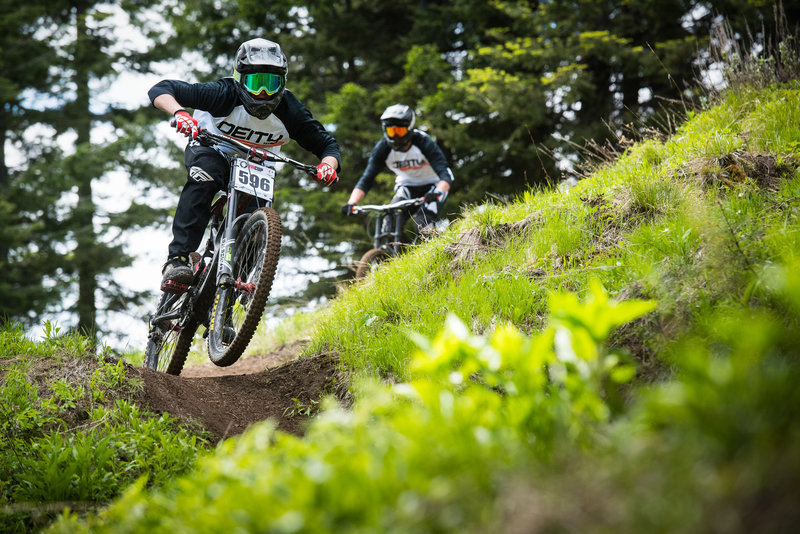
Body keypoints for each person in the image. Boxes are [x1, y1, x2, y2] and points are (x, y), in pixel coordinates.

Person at [148, 38, 341, 292]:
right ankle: (177, 260)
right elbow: (161, 89)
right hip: (212, 148)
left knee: (256, 228)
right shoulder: (222, 93)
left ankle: (226, 303)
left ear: (282, 83)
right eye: (255, 83)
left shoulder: (290, 110)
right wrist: (180, 113)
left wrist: (328, 166)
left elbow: (327, 145)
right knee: (204, 178)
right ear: (239, 78)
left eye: (270, 84)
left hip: (255, 166)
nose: (263, 94)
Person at [341, 104, 453, 239]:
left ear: (409, 129)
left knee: (423, 226)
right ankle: (393, 255)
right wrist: (352, 203)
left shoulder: (423, 142)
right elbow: (366, 179)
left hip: (433, 186)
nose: (395, 137)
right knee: (390, 221)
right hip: (407, 185)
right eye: (391, 132)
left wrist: (438, 192)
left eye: (399, 131)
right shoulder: (382, 149)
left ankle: (441, 251)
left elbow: (445, 175)